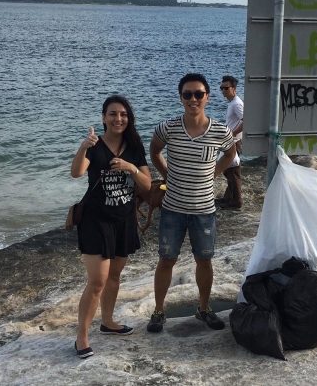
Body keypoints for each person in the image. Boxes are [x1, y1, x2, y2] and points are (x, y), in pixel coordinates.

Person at [146, 73, 237, 333]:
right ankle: (159, 311)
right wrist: (167, 175)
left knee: (204, 262)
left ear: (207, 97)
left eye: (198, 94)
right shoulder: (168, 128)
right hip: (172, 209)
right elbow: (154, 151)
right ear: (181, 98)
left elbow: (230, 154)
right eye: (188, 94)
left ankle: (204, 308)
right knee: (166, 260)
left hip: (204, 211)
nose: (193, 99)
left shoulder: (220, 131)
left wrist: (214, 173)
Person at [70, 95, 152, 359]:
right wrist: (83, 147)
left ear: (129, 118)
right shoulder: (95, 146)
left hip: (123, 219)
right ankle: (82, 337)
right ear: (104, 117)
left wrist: (130, 168)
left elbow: (147, 184)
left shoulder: (134, 146)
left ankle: (107, 322)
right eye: (113, 114)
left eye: (123, 114)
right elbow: (76, 172)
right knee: (97, 281)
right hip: (95, 220)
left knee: (114, 276)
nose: (118, 119)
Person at [219, 75, 244, 209]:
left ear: (234, 88)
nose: (223, 90)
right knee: (228, 170)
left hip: (234, 141)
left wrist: (232, 133)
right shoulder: (233, 103)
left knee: (232, 171)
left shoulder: (237, 104)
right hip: (231, 140)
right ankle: (228, 197)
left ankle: (236, 201)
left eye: (226, 88)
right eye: (222, 88)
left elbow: (246, 121)